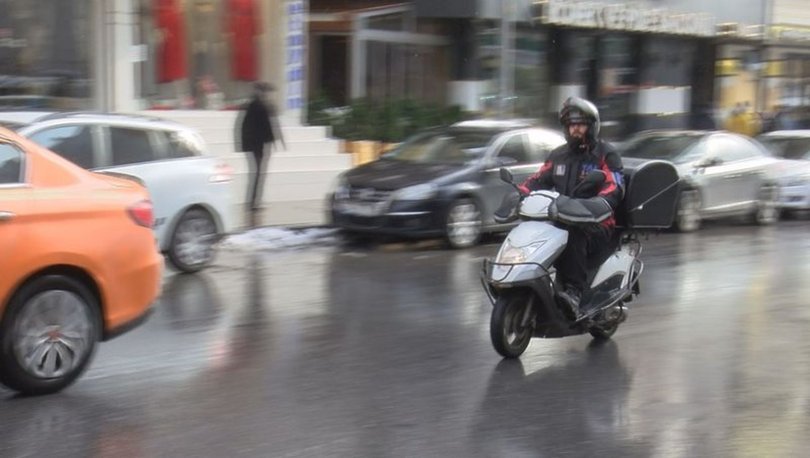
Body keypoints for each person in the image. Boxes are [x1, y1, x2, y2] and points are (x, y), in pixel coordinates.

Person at [518, 97, 624, 318]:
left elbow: (614, 185)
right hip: (561, 215)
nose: (575, 129)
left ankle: (574, 293)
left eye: (580, 124)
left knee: (573, 232)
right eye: (571, 125)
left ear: (592, 126)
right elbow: (537, 179)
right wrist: (519, 194)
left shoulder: (605, 154)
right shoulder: (558, 155)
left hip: (596, 223)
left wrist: (599, 203)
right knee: (533, 228)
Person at [238, 81, 286, 214]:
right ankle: (254, 202)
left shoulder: (258, 106)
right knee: (259, 173)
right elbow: (267, 127)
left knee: (258, 173)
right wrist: (275, 140)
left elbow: (270, 126)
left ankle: (255, 201)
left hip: (259, 144)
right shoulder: (258, 106)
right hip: (258, 145)